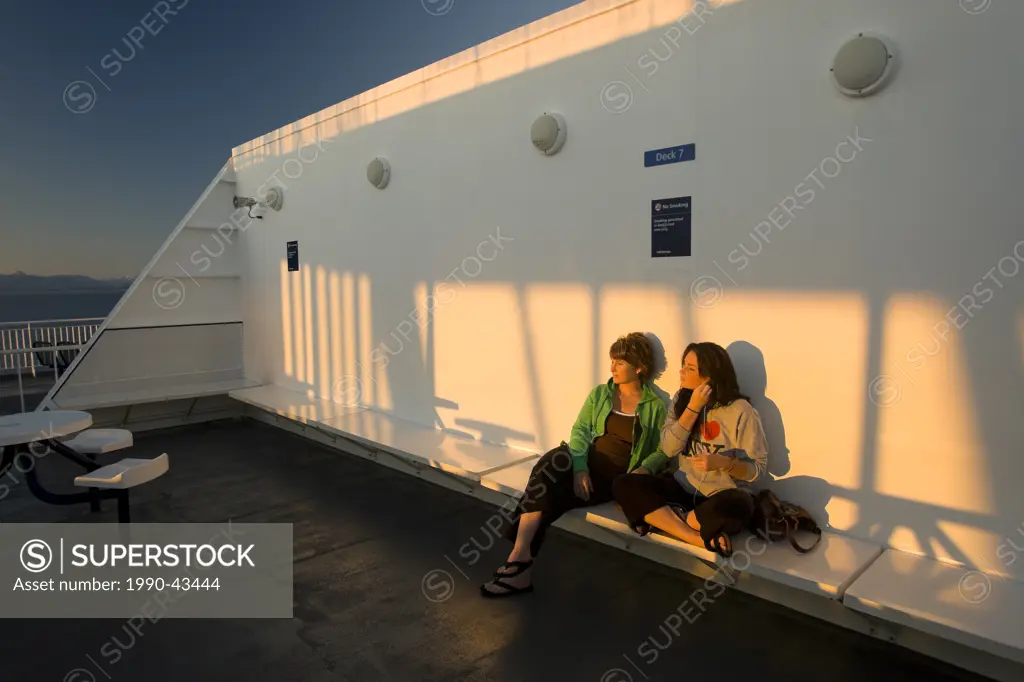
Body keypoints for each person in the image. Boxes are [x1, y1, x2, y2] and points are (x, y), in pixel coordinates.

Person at [480, 332, 670, 598]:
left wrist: (643, 470)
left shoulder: (656, 406)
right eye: (612, 360)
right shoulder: (601, 394)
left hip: (613, 477)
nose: (612, 367)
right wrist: (580, 467)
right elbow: (580, 430)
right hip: (586, 460)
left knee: (549, 495)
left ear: (638, 368)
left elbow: (663, 449)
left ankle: (518, 567)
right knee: (550, 464)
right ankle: (519, 558)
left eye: (620, 362)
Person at [613, 341, 768, 557]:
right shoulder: (681, 399)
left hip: (719, 495)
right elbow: (668, 448)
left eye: (690, 368)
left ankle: (668, 518)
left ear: (709, 376)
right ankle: (695, 537)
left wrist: (726, 464)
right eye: (683, 365)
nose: (682, 372)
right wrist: (693, 407)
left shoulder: (741, 411)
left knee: (740, 505)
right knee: (624, 484)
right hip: (683, 487)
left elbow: (758, 469)